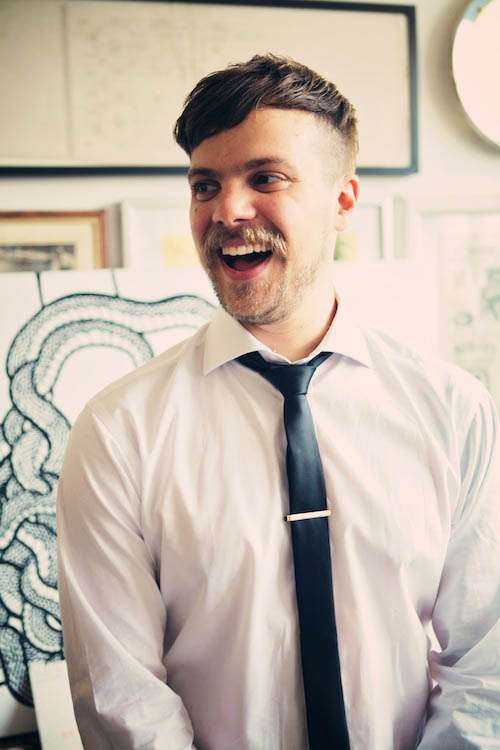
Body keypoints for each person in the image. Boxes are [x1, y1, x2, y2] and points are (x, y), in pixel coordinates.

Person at [57, 55, 500, 749]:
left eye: (265, 178)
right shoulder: (118, 433)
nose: (227, 211)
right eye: (205, 185)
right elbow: (123, 700)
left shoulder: (454, 412)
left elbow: (487, 661)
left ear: (343, 202)